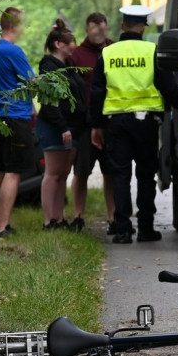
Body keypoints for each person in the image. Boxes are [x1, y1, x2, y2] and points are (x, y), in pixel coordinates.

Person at [90, 5, 178, 244]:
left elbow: (97, 93)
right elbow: (167, 85)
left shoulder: (107, 53)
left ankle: (122, 230)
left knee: (120, 175)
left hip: (116, 124)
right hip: (146, 123)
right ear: (143, 27)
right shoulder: (151, 50)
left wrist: (96, 126)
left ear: (122, 26)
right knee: (145, 174)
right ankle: (146, 228)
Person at [0, 7, 35, 238]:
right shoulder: (13, 51)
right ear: (14, 26)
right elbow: (32, 81)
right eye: (22, 23)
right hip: (16, 116)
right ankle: (2, 228)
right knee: (13, 172)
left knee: (3, 170)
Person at [35, 19, 88, 231]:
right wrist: (62, 127)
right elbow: (49, 102)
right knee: (53, 173)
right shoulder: (48, 67)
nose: (74, 46)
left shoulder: (67, 66)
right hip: (56, 127)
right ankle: (49, 220)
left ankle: (59, 217)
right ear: (58, 44)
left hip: (73, 127)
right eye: (70, 42)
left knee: (64, 173)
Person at [70, 12, 115, 234]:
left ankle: (113, 216)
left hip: (111, 122)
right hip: (86, 125)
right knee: (81, 172)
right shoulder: (77, 56)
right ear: (87, 30)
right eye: (94, 29)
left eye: (102, 28)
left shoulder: (114, 50)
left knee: (111, 172)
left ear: (107, 28)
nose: (99, 33)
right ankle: (78, 215)